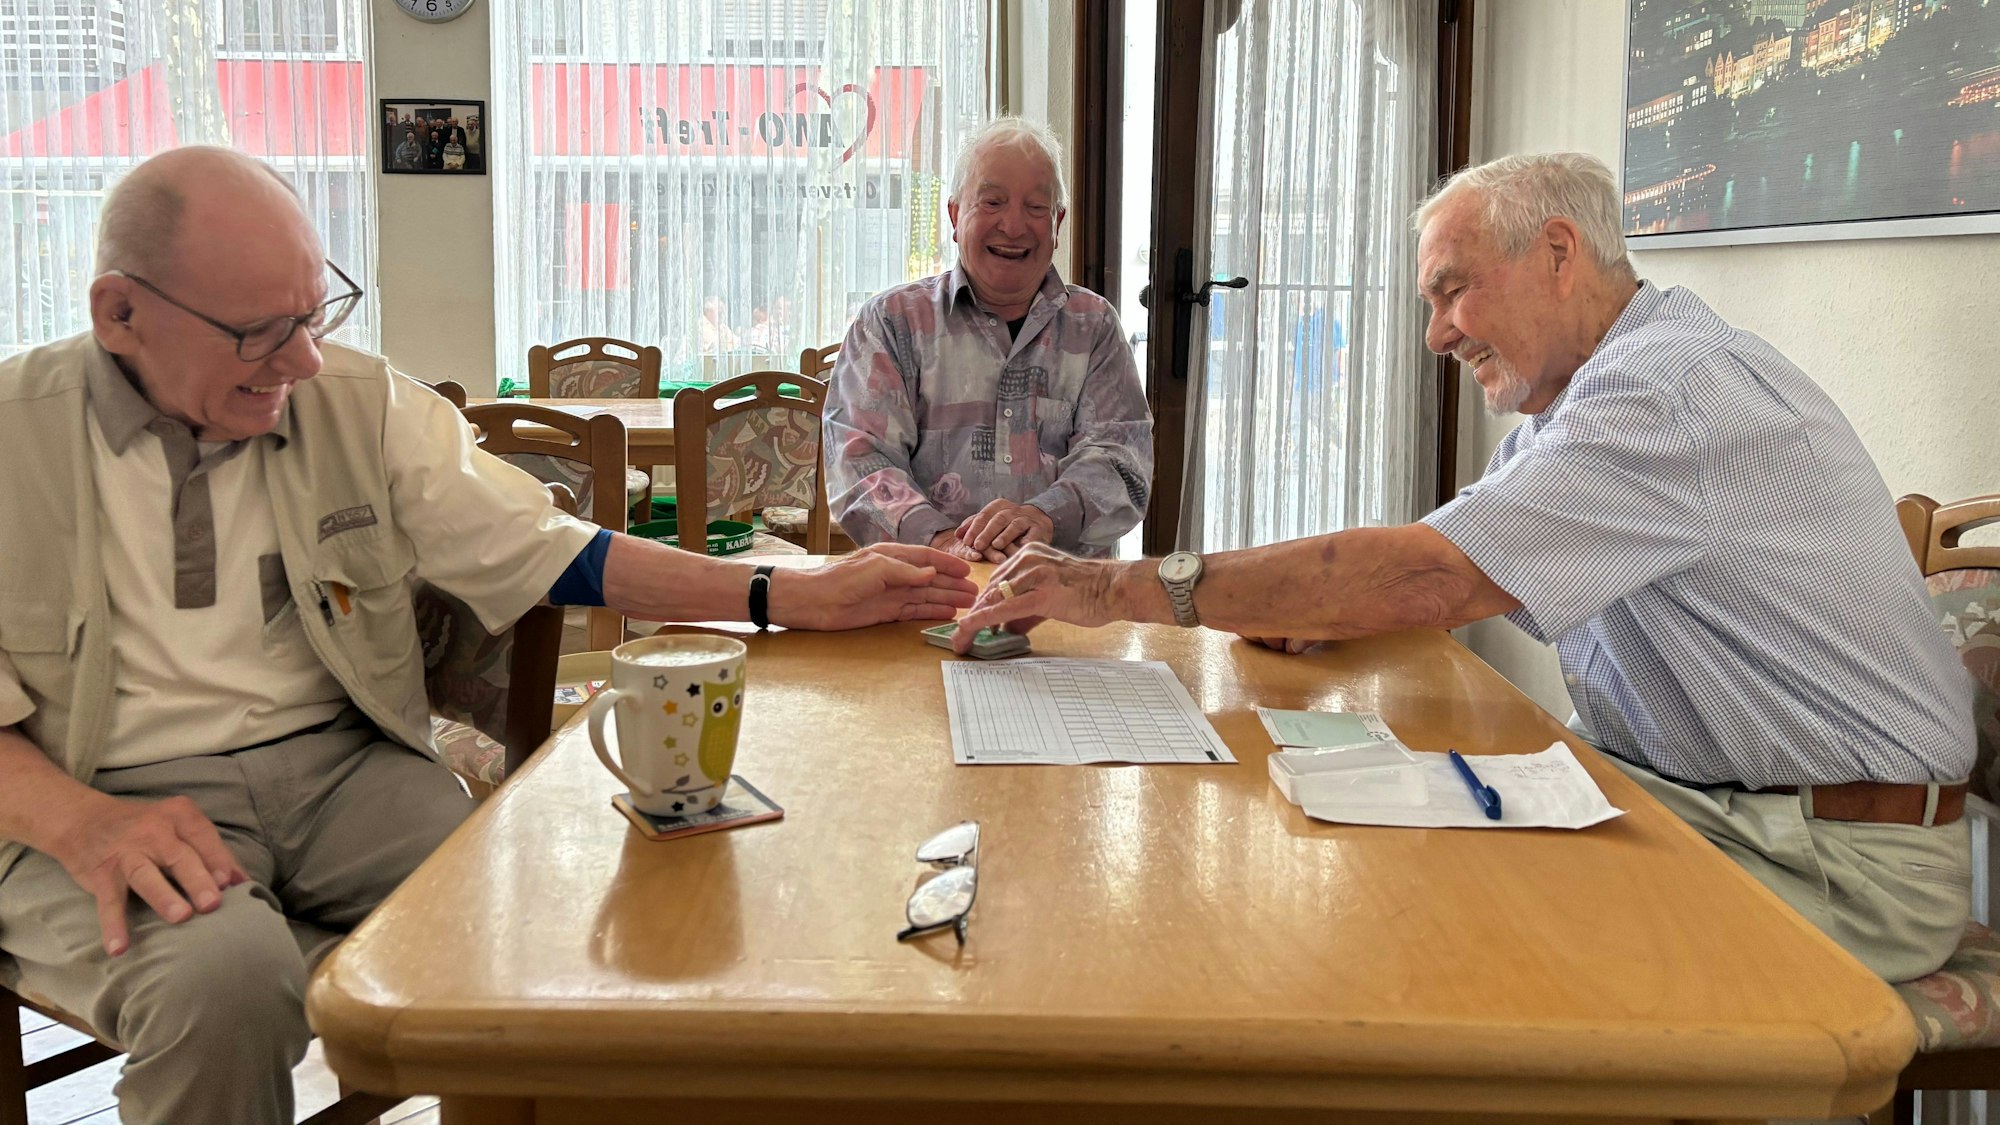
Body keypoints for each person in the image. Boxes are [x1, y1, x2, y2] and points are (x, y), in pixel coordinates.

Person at [0, 146, 977, 1124]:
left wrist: (783, 594)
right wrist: (78, 824)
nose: (303, 360)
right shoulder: (14, 436)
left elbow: (551, 552)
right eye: (260, 333)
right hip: (96, 793)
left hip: (343, 772)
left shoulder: (351, 398)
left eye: (315, 312)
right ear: (118, 313)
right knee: (225, 985)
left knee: (527, 910)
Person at [952, 152, 1975, 984]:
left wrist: (1105, 587)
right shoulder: (1580, 404)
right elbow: (1448, 561)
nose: (1437, 333)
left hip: (1831, 865)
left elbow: (1428, 578)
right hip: (1710, 806)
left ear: (1558, 252)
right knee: (1378, 857)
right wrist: (1338, 605)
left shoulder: (1660, 395)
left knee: (1445, 945)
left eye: (1451, 292)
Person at [822, 116, 1152, 563]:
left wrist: (1044, 517)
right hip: (926, 590)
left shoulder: (1094, 328)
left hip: (1067, 594)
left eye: (1036, 207)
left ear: (1057, 223)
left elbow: (1121, 460)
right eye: (992, 202)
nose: (1013, 227)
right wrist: (940, 542)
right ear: (956, 215)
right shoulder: (892, 323)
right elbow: (859, 460)